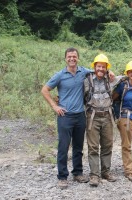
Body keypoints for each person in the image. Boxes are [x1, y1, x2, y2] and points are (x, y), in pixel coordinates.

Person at [41, 47, 90, 189]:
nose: (72, 59)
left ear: (78, 58)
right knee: (63, 146)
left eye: (74, 56)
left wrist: (109, 72)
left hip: (80, 115)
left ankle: (78, 173)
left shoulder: (83, 72)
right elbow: (44, 90)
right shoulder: (60, 75)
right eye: (69, 57)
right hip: (65, 116)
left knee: (78, 146)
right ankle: (62, 177)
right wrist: (54, 106)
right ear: (65, 59)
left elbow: (98, 71)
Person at [84, 53, 123, 186]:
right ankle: (94, 175)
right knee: (93, 147)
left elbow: (126, 78)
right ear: (94, 67)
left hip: (107, 116)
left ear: (107, 68)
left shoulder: (111, 79)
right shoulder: (87, 79)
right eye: (98, 66)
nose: (101, 69)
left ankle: (105, 171)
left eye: (103, 67)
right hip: (92, 116)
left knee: (107, 145)